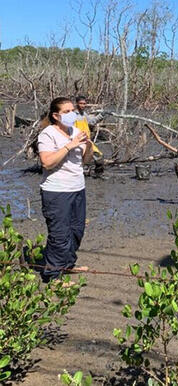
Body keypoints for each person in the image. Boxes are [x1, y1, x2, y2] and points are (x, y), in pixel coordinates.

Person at [37, 97, 93, 283]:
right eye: (67, 112)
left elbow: (84, 161)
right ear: (56, 115)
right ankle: (52, 276)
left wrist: (89, 145)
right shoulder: (48, 134)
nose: (72, 114)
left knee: (76, 230)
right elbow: (47, 163)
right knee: (59, 234)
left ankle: (67, 264)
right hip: (56, 192)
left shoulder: (77, 131)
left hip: (78, 188)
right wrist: (70, 144)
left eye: (73, 111)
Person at [74, 96, 105, 177]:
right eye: (81, 103)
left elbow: (91, 122)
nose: (83, 105)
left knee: (99, 159)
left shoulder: (84, 114)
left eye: (84, 104)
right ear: (77, 103)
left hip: (87, 141)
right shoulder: (72, 115)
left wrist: (101, 115)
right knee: (83, 163)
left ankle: (98, 176)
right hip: (77, 142)